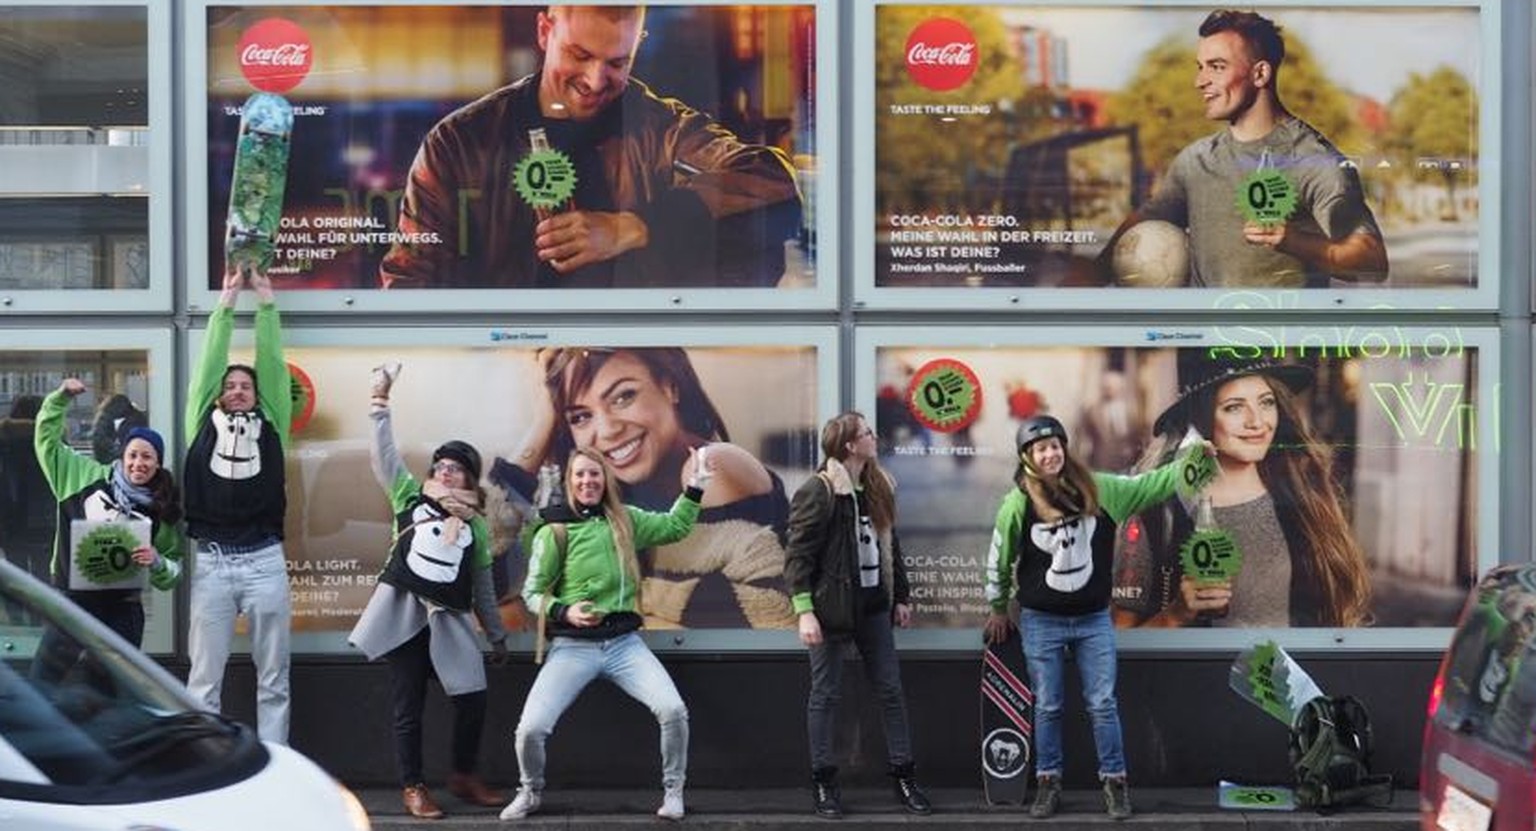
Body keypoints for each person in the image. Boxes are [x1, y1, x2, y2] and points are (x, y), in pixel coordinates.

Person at [379, 4, 803, 290]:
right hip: (503, 367)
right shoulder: (459, 140)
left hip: (630, 359)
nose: (596, 81)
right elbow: (409, 283)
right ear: (545, 31)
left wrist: (634, 226)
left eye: (618, 62)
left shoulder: (657, 126)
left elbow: (772, 178)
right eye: (579, 55)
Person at [983, 415, 1213, 820]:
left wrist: (1193, 463)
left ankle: (1115, 783)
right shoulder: (1017, 503)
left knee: (1103, 704)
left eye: (1056, 446)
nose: (1051, 453)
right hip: (1041, 620)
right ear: (1028, 457)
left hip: (1093, 620)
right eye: (1041, 449)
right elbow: (999, 558)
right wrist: (998, 607)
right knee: (1049, 705)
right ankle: (1048, 782)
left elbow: (1148, 485)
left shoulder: (1099, 487)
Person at [491, 346, 794, 629]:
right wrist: (543, 421)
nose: (608, 430)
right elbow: (492, 582)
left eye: (623, 397)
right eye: (581, 416)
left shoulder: (709, 465)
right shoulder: (609, 489)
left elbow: (751, 613)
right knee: (505, 614)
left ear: (670, 386)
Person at [1100, 9, 1387, 288]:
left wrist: (1293, 240)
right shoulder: (1195, 160)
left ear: (1260, 74)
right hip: (1202, 337)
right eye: (1200, 68)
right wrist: (1093, 273)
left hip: (1278, 336)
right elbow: (1147, 219)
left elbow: (1372, 260)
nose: (1200, 81)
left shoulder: (1313, 161)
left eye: (1217, 67)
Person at [502, 445, 711, 822]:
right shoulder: (555, 531)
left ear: (606, 480)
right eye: (580, 474)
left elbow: (674, 526)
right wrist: (564, 610)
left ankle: (674, 791)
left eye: (594, 474)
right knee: (530, 729)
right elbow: (532, 593)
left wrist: (694, 487)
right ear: (569, 481)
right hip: (571, 648)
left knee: (673, 709)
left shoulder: (626, 520)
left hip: (624, 646)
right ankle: (530, 791)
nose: (587, 481)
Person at [348, 363, 509, 819]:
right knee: (408, 707)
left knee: (472, 696)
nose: (445, 473)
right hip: (405, 617)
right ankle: (413, 787)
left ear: (470, 478)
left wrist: (495, 635)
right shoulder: (408, 497)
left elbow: (481, 585)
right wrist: (379, 402)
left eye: (455, 469)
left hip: (450, 620)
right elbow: (385, 457)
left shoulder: (476, 525)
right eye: (440, 466)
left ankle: (463, 774)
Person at [1112, 352, 1371, 628]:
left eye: (1266, 402)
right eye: (1234, 407)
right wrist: (1176, 614)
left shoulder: (1301, 491)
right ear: (1201, 417)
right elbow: (1121, 641)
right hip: (1202, 673)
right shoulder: (1157, 509)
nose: (1257, 421)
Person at [783, 411, 931, 819]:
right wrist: (805, 612)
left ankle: (904, 776)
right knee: (825, 695)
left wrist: (901, 595)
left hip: (873, 607)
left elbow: (890, 545)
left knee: (891, 691)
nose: (874, 437)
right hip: (831, 609)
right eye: (867, 433)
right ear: (849, 445)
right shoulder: (820, 490)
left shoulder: (879, 484)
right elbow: (797, 556)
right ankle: (824, 782)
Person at [183, 267, 294, 745]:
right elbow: (209, 364)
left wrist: (266, 304)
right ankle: (205, 762)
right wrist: (226, 301)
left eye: (245, 386)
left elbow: (271, 363)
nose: (236, 390)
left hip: (265, 560)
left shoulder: (271, 423)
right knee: (205, 678)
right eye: (229, 386)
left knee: (274, 677)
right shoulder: (200, 422)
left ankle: (277, 763)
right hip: (212, 561)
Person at [32, 379, 181, 647]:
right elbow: (47, 442)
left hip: (123, 609)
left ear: (158, 463)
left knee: (111, 684)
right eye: (133, 455)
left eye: (147, 457)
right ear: (122, 456)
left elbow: (174, 571)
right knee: (46, 676)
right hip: (72, 600)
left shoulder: (161, 506)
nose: (138, 463)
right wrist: (60, 398)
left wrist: (157, 562)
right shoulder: (82, 476)